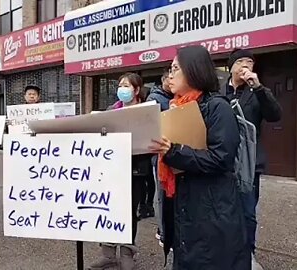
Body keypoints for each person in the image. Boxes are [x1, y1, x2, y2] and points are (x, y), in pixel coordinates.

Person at [149, 45, 251, 269]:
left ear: (193, 71)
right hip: (184, 205)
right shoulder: (174, 108)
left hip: (212, 210)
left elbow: (221, 158)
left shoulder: (217, 107)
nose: (170, 74)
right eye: (169, 68)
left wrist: (174, 152)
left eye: (176, 68)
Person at [221, 48, 282, 267]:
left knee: (247, 211)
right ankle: (226, 249)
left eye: (250, 62)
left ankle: (248, 254)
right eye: (242, 62)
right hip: (222, 160)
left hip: (249, 162)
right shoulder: (218, 91)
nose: (246, 66)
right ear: (231, 67)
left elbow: (275, 114)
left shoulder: (256, 92)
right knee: (222, 209)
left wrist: (258, 87)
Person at [88, 73, 151, 270]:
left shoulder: (146, 112)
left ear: (137, 90)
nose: (122, 89)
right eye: (120, 85)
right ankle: (107, 253)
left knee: (129, 212)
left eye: (127, 85)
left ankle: (126, 252)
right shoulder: (110, 111)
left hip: (136, 170)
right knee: (108, 209)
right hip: (112, 169)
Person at [145, 71, 173, 245]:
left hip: (174, 152)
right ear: (164, 81)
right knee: (162, 194)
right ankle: (163, 231)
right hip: (161, 154)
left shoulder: (177, 96)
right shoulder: (154, 100)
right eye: (170, 78)